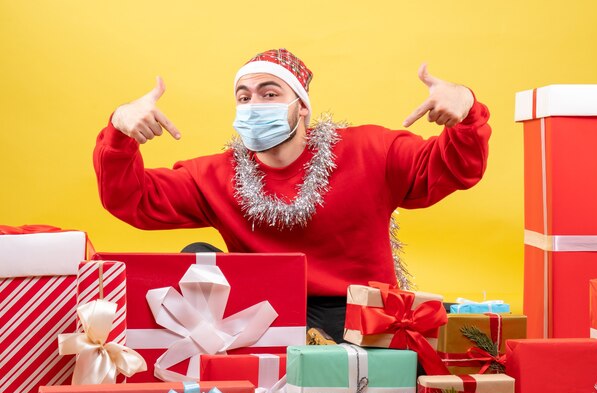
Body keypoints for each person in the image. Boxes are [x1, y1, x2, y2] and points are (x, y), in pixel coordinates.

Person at [94, 48, 491, 342]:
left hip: (355, 313)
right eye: (244, 97)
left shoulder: (370, 150)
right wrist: (120, 129)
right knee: (198, 257)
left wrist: (466, 111)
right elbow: (133, 199)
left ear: (302, 107)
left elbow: (452, 168)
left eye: (269, 94)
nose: (253, 106)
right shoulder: (215, 175)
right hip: (261, 313)